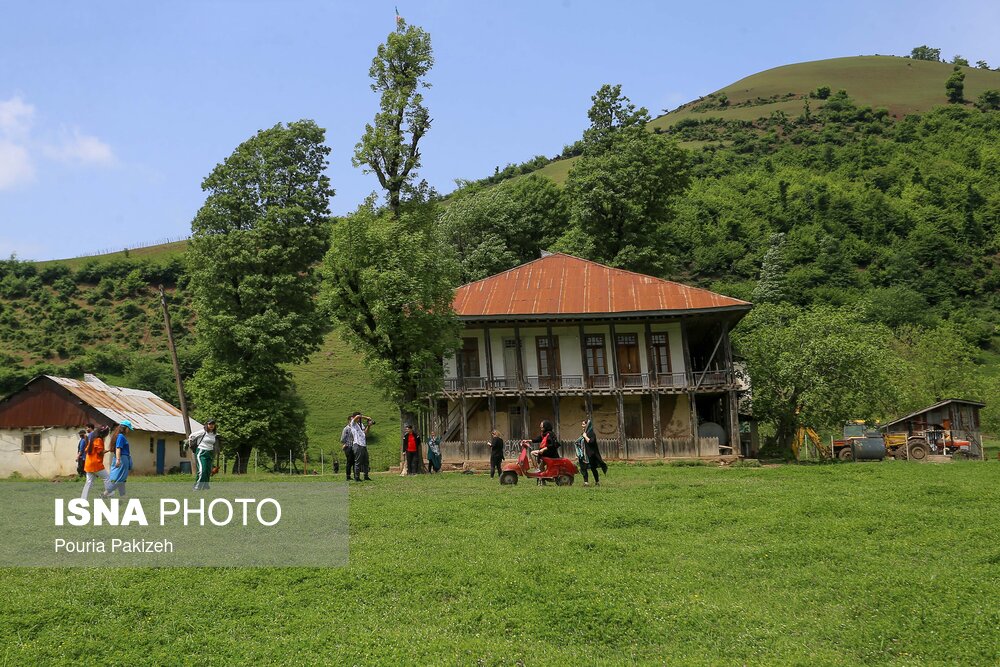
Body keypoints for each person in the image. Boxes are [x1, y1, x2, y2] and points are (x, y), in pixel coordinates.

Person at [102, 420, 133, 498]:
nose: (129, 430)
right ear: (125, 428)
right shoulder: (121, 436)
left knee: (122, 479)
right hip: (122, 458)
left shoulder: (119, 436)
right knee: (119, 479)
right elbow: (118, 448)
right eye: (128, 428)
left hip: (124, 458)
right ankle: (104, 494)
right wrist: (118, 460)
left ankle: (123, 495)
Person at [188, 419, 219, 491]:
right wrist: (191, 445)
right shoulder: (203, 432)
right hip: (201, 452)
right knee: (202, 470)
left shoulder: (214, 434)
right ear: (206, 425)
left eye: (213, 424)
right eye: (210, 424)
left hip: (210, 452)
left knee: (208, 471)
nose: (211, 425)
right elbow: (191, 436)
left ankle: (205, 486)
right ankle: (196, 487)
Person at [80, 425, 109, 499]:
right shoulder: (99, 440)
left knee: (89, 482)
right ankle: (109, 495)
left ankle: (83, 498)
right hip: (96, 464)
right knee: (107, 478)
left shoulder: (92, 439)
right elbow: (100, 452)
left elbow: (86, 450)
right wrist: (109, 450)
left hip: (89, 464)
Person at [581, 418, 607, 485]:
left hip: (591, 454)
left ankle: (597, 481)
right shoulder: (584, 433)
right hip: (585, 454)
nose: (582, 425)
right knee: (584, 468)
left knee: (593, 468)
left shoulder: (592, 433)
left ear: (587, 425)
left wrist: (585, 436)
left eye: (583, 424)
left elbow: (591, 442)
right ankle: (586, 482)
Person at [349, 413, 374, 481]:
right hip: (357, 444)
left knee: (366, 462)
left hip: (363, 444)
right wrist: (367, 417)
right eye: (360, 417)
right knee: (358, 462)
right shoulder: (353, 423)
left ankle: (366, 476)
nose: (360, 419)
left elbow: (365, 433)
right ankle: (357, 477)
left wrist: (368, 426)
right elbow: (357, 416)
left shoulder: (361, 425)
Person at [340, 414, 357, 481]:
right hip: (348, 447)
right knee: (349, 462)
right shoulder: (346, 429)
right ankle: (348, 476)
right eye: (352, 420)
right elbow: (342, 439)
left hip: (355, 447)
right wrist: (346, 444)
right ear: (349, 421)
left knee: (355, 462)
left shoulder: (355, 428)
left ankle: (356, 475)